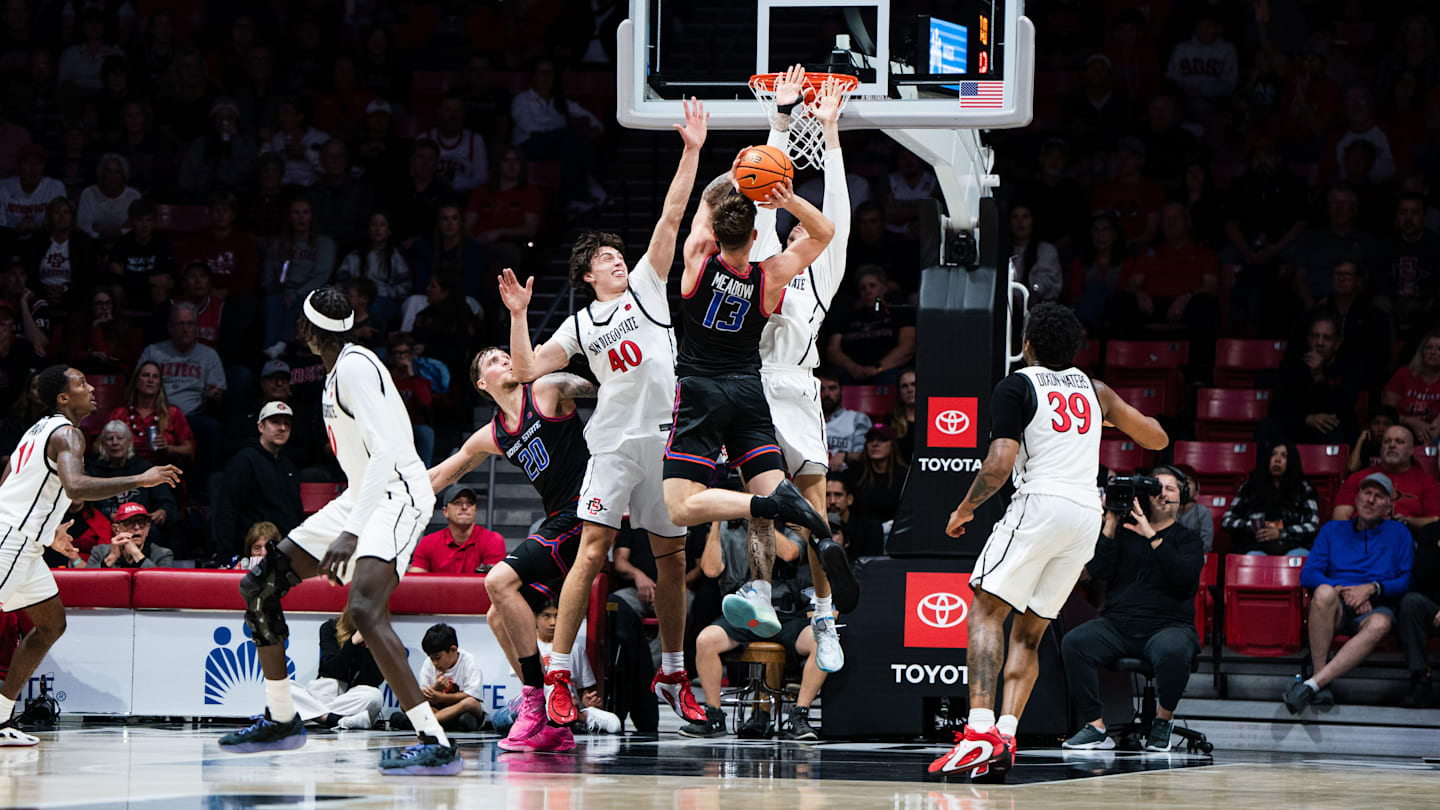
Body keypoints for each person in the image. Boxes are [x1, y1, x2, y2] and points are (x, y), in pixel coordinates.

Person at [495, 99, 714, 732]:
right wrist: (518, 316)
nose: (618, 260)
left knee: (670, 558)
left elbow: (672, 214)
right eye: (606, 259)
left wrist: (692, 151)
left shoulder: (647, 283)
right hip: (615, 444)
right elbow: (528, 370)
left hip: (667, 439)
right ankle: (560, 673)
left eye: (620, 254)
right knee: (592, 550)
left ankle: (673, 673)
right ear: (589, 276)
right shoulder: (579, 322)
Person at [216, 287, 456, 776]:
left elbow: (385, 452)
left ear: (306, 330)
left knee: (365, 610)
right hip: (362, 493)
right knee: (260, 585)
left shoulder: (354, 368)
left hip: (397, 495)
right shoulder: (338, 369)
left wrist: (350, 532)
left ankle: (434, 740)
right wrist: (350, 519)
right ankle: (282, 718)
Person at [929, 304, 1168, 781]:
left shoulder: (1016, 385)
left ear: (1027, 345)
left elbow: (1000, 463)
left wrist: (965, 509)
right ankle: (1006, 735)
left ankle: (978, 732)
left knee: (986, 611)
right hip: (1085, 515)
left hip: (1041, 504)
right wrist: (1103, 419)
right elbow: (1157, 439)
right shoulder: (1095, 391)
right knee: (1030, 633)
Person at [664, 150, 838, 649]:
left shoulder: (697, 258)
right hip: (748, 393)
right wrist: (786, 197)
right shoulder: (770, 276)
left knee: (680, 508)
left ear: (715, 234)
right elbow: (823, 233)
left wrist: (735, 173)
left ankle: (766, 502)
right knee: (772, 486)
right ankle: (775, 531)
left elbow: (697, 205)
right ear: (756, 234)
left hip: (701, 393)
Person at [428, 348, 596, 753]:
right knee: (496, 615)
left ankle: (535, 701)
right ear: (481, 384)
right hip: (559, 520)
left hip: (585, 511)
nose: (503, 360)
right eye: (491, 360)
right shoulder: (493, 434)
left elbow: (598, 384)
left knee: (498, 580)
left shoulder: (549, 389)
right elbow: (440, 475)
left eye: (506, 356)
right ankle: (552, 719)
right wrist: (384, 494)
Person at [0, 365, 179, 744]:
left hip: (24, 543)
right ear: (63, 397)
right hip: (11, 540)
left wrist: (46, 533)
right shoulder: (67, 433)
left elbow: (9, 484)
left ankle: (0, 719)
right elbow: (76, 486)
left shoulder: (36, 431)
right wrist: (141, 478)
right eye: (82, 383)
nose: (92, 388)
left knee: (51, 625)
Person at [1061, 467, 1204, 752]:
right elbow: (1098, 570)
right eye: (1157, 488)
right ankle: (1095, 726)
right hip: (1119, 624)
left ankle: (1163, 721)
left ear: (1182, 496)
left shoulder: (1189, 539)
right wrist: (1111, 523)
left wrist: (1150, 533)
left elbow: (1182, 577)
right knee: (1074, 643)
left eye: (1170, 489)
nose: (1162, 494)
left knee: (1174, 650)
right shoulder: (1125, 532)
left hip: (1169, 625)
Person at [681, 516, 828, 742]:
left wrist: (758, 521)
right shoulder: (728, 527)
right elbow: (710, 570)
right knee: (706, 640)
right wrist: (717, 524)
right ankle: (714, 717)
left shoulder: (790, 522)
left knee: (821, 642)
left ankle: (799, 716)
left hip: (784, 613)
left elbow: (790, 553)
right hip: (743, 612)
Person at [1285, 473, 1413, 714]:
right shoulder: (1332, 530)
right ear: (1357, 498)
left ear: (1388, 507)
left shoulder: (1399, 533)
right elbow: (1308, 574)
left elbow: (1405, 581)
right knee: (1323, 592)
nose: (1370, 499)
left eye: (1378, 496)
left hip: (1375, 607)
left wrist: (1371, 589)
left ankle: (1313, 684)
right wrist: (1346, 591)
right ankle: (1321, 682)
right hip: (1337, 607)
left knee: (1380, 623)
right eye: (1367, 493)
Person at [213, 402, 302, 557]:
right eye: (275, 422)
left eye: (287, 424)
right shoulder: (244, 460)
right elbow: (227, 509)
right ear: (261, 427)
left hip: (284, 552)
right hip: (253, 552)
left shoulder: (288, 465)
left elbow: (295, 512)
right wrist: (225, 555)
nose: (282, 428)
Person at [1268, 310, 1363, 445]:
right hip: (1299, 425)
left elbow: (1343, 408)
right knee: (1268, 428)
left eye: (1327, 338)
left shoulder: (1348, 368)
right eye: (1315, 336)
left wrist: (1318, 376)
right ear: (1308, 338)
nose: (1320, 343)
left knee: (1339, 431)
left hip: (1330, 428)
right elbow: (1277, 408)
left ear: (1337, 343)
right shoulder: (1293, 365)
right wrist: (1307, 419)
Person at [1221, 442, 1321, 556]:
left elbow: (1312, 525)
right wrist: (1254, 526)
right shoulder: (1250, 487)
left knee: (1299, 556)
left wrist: (1281, 532)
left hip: (1293, 546)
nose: (1277, 460)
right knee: (1253, 556)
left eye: (1283, 456)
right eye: (1273, 454)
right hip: (1257, 546)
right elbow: (1227, 520)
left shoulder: (1304, 488)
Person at [286, 616, 384, 731]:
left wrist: (370, 648)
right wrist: (352, 642)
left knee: (375, 696)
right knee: (285, 687)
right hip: (325, 692)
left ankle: (313, 716)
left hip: (351, 699)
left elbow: (372, 680)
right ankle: (337, 720)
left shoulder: (379, 636)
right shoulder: (330, 628)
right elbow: (333, 670)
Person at [1332, 424, 1440, 528]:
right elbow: (1340, 517)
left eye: (1399, 442)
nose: (1392, 445)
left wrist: (1408, 520)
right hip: (1362, 536)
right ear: (1381, 448)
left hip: (1409, 536)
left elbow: (1435, 521)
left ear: (1411, 450)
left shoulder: (1428, 483)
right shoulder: (1358, 478)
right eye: (1387, 441)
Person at [824, 267, 916, 384]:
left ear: (883, 288)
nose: (867, 291)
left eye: (872, 286)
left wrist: (877, 368)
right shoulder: (848, 316)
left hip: (886, 371)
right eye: (863, 288)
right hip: (853, 372)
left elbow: (907, 347)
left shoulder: (900, 313)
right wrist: (852, 367)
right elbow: (833, 350)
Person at [85, 420, 178, 526]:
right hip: (105, 525)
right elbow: (86, 507)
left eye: (120, 438)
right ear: (102, 443)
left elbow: (167, 503)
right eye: (110, 439)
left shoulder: (144, 468)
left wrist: (162, 512)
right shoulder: (93, 470)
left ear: (129, 442)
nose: (115, 442)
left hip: (142, 526)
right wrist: (108, 516)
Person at [108, 360, 194, 466]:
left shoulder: (172, 412)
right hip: (127, 470)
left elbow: (189, 449)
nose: (150, 380)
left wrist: (168, 448)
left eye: (155, 376)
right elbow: (96, 447)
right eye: (145, 375)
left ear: (160, 384)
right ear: (136, 381)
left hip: (161, 469)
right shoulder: (120, 413)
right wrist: (117, 445)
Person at [408, 485, 505, 574]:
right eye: (457, 503)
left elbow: (495, 583)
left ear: (475, 510)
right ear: (445, 512)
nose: (464, 507)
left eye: (470, 503)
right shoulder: (428, 543)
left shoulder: (492, 540)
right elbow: (415, 581)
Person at [416, 623, 487, 732]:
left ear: (453, 650)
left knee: (470, 703)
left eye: (437, 658)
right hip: (438, 710)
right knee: (408, 702)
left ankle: (427, 722)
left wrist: (441, 697)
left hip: (460, 710)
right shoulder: (428, 664)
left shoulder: (469, 661)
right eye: (431, 659)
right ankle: (442, 721)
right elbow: (421, 697)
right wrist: (436, 688)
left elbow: (472, 696)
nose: (434, 663)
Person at [1382, 330, 1440, 445]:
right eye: (1428, 347)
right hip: (1401, 429)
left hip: (1435, 433)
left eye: (1439, 349)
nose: (1433, 352)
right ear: (1421, 351)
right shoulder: (1403, 374)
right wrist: (1412, 422)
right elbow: (1386, 412)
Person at [84, 502, 173, 568]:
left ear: (148, 528)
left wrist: (137, 554)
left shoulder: (162, 554)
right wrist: (111, 558)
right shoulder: (100, 552)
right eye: (130, 522)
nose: (137, 527)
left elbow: (161, 584)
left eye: (142, 522)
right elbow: (87, 583)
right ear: (116, 529)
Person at [818, 368, 871, 472]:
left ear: (841, 390)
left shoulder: (857, 419)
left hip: (848, 474)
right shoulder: (809, 421)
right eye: (822, 389)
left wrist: (845, 455)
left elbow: (865, 454)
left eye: (832, 388)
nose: (826, 394)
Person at [825, 474, 884, 558]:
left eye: (838, 495)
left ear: (849, 499)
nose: (832, 501)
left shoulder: (870, 528)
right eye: (827, 495)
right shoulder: (816, 528)